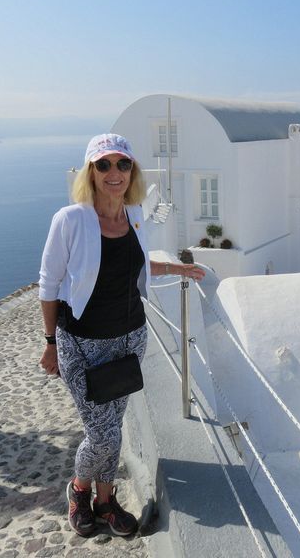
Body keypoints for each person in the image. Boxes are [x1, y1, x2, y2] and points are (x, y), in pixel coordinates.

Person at [39, 134, 204, 537]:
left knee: (111, 427)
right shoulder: (71, 219)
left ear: (133, 172)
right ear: (90, 172)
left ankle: (105, 499)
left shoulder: (132, 214)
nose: (115, 173)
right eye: (104, 164)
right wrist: (49, 343)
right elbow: (48, 283)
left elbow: (137, 264)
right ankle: (79, 491)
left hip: (129, 338)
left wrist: (178, 270)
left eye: (123, 164)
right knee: (103, 434)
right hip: (82, 343)